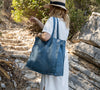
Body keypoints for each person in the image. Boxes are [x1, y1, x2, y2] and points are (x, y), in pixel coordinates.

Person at [30, 0, 70, 90]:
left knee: (49, 85)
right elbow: (52, 31)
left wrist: (39, 35)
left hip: (51, 56)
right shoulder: (65, 22)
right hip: (62, 58)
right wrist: (38, 21)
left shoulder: (52, 20)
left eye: (50, 7)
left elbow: (46, 36)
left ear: (53, 8)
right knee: (60, 85)